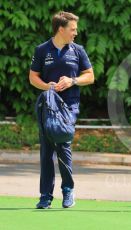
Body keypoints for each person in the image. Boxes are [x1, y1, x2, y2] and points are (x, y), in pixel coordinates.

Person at [29, 11, 94, 209]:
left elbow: (90, 76)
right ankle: (45, 196)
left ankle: (68, 190)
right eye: (72, 29)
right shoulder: (42, 50)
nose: (76, 32)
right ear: (61, 29)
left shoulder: (78, 50)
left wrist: (72, 80)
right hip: (48, 105)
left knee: (63, 141)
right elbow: (33, 77)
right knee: (47, 150)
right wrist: (47, 86)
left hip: (69, 106)